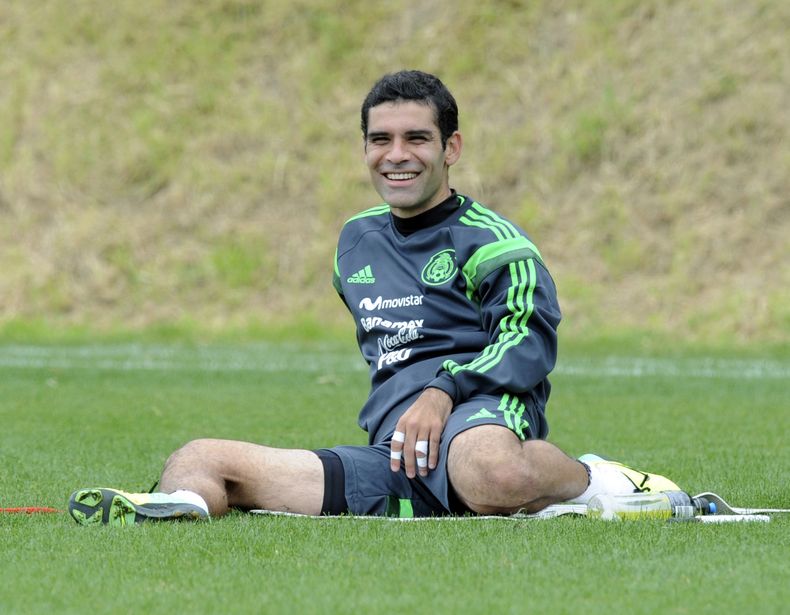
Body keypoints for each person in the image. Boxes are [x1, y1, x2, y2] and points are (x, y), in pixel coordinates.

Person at [68, 70, 678, 526]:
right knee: (203, 455)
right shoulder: (353, 242)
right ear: (364, 148)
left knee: (491, 471)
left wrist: (443, 392)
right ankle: (178, 510)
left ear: (451, 149)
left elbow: (528, 342)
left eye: (417, 138)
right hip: (392, 451)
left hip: (478, 419)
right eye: (380, 139)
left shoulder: (496, 244)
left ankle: (596, 480)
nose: (396, 155)